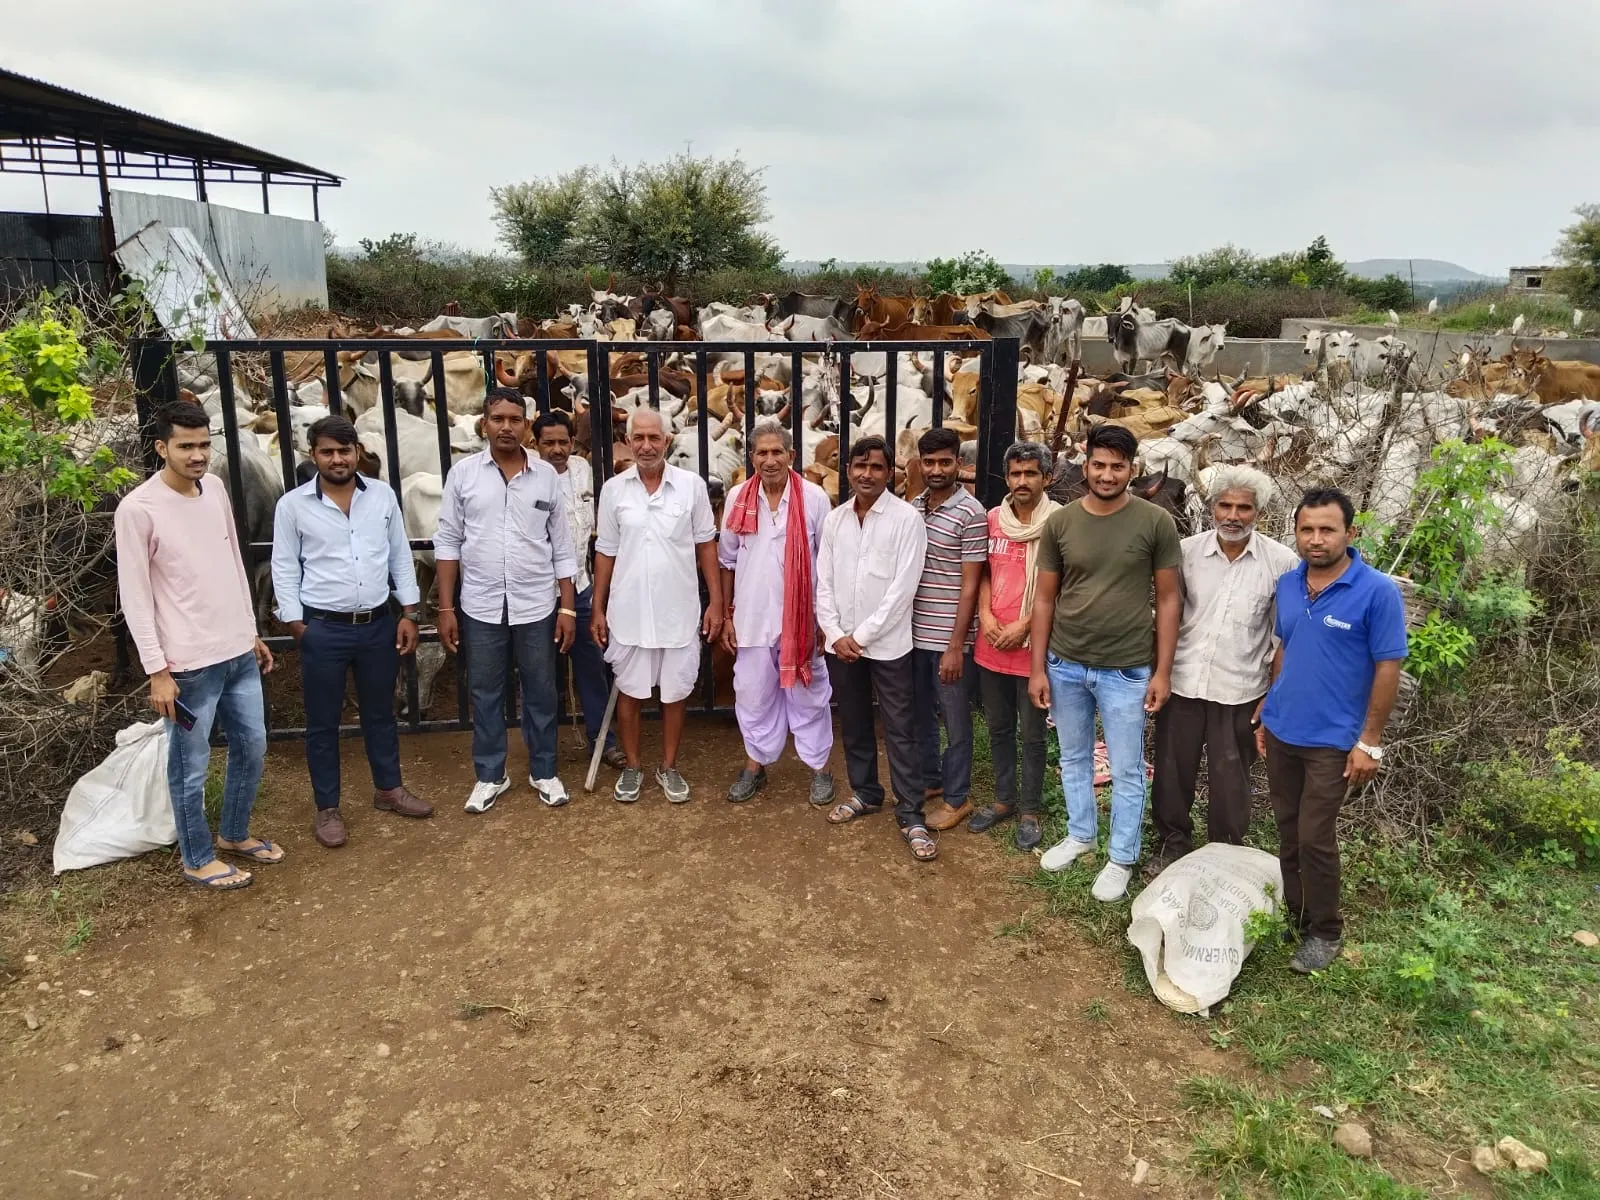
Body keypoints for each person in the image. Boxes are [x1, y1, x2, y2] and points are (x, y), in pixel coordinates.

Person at [114, 399, 279, 891]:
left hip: (236, 653)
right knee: (190, 767)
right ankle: (197, 858)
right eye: (186, 446)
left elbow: (233, 562)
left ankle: (234, 833)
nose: (198, 455)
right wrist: (157, 672)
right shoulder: (138, 509)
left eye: (204, 444)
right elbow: (136, 597)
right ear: (161, 447)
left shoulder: (216, 490)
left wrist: (249, 630)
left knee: (253, 745)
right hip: (187, 667)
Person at [1257, 488, 1407, 974]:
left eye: (1327, 529)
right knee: (1287, 828)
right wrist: (1270, 704)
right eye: (1307, 529)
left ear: (1350, 533)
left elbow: (1388, 668)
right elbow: (1286, 647)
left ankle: (1325, 931)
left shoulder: (1377, 591)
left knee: (1314, 836)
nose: (1316, 539)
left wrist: (1370, 741)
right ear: (1295, 532)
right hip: (1283, 731)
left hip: (1333, 741)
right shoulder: (1289, 584)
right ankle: (1297, 915)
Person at [1029, 423, 1181, 901]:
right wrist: (1038, 667)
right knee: (1073, 757)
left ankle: (1121, 857)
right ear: (1086, 465)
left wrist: (1162, 671)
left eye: (1118, 466)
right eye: (1099, 465)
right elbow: (1044, 600)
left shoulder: (1155, 522)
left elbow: (1170, 599)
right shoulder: (1061, 523)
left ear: (1132, 469)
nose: (1107, 474)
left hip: (1126, 669)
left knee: (1127, 767)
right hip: (1066, 662)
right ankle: (1081, 835)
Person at [271, 415, 430, 848]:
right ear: (313, 455)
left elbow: (400, 556)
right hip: (324, 628)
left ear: (358, 452)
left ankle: (389, 788)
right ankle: (327, 808)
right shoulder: (293, 506)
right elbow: (284, 566)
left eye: (345, 450)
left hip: (377, 624)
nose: (337, 459)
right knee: (323, 721)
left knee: (381, 712)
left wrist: (409, 611)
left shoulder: (381, 496)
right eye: (327, 452)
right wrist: (296, 623)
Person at [1145, 466, 1299, 881]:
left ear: (1259, 512)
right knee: (1172, 773)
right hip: (1184, 680)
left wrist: (1272, 694)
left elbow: (1284, 635)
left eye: (1243, 508)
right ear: (1211, 507)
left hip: (1241, 688)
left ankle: (1223, 857)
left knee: (1231, 781)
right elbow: (1167, 614)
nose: (1233, 516)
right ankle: (1172, 844)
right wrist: (1160, 673)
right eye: (1224, 505)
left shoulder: (1282, 563)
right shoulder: (1186, 552)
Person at [434, 391, 579, 814]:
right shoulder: (463, 475)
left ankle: (544, 770)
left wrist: (567, 607)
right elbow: (448, 541)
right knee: (485, 692)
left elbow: (562, 547)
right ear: (484, 424)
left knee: (542, 690)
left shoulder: (546, 477)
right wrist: (445, 608)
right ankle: (490, 775)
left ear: (526, 426)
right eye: (498, 418)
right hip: (480, 604)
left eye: (515, 419)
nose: (506, 427)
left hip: (536, 604)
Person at [590, 407, 722, 804]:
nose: (646, 446)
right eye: (639, 438)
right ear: (628, 442)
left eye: (654, 438)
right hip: (628, 610)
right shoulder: (614, 490)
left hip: (677, 609)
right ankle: (633, 767)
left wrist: (716, 602)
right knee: (629, 692)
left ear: (667, 440)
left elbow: (706, 545)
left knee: (675, 692)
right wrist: (598, 607)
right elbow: (605, 551)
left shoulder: (691, 486)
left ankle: (669, 766)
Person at [816, 435, 933, 861]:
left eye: (877, 467)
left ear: (890, 473)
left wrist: (861, 636)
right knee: (854, 721)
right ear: (848, 470)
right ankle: (866, 792)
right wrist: (835, 633)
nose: (867, 474)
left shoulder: (906, 519)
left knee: (900, 728)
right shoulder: (836, 520)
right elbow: (823, 582)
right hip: (841, 644)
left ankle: (911, 813)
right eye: (860, 466)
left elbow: (903, 589)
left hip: (888, 646)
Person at [718, 420, 836, 805]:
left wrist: (824, 619)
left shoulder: (814, 498)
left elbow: (828, 563)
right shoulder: (738, 498)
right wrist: (728, 616)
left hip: (801, 621)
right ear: (751, 458)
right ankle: (755, 766)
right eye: (762, 453)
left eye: (777, 452)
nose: (770, 460)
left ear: (791, 456)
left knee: (809, 695)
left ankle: (820, 769)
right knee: (752, 695)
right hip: (752, 618)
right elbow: (727, 561)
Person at [970, 441, 1059, 851]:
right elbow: (983, 573)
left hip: (1034, 649)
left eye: (1031, 473)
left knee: (1033, 734)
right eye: (1016, 474)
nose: (1023, 481)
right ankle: (1004, 800)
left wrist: (1025, 624)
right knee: (999, 727)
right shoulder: (992, 520)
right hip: (992, 643)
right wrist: (985, 616)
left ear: (1047, 478)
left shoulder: (1060, 522)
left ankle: (1029, 810)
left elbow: (1063, 584)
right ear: (1006, 478)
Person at [534, 410, 625, 770]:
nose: (557, 449)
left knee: (593, 665)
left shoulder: (582, 469)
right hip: (539, 592)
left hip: (581, 586)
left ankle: (603, 740)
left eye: (563, 442)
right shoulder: (528, 476)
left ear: (573, 442)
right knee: (540, 672)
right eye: (549, 443)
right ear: (536, 444)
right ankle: (542, 749)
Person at [910, 426, 988, 831]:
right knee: (920, 714)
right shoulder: (915, 505)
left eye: (945, 462)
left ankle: (958, 798)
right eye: (929, 462)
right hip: (913, 634)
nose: (937, 470)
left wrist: (956, 645)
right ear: (920, 464)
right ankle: (931, 779)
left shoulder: (971, 513)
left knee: (955, 722)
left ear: (959, 463)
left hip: (949, 638)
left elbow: (971, 585)